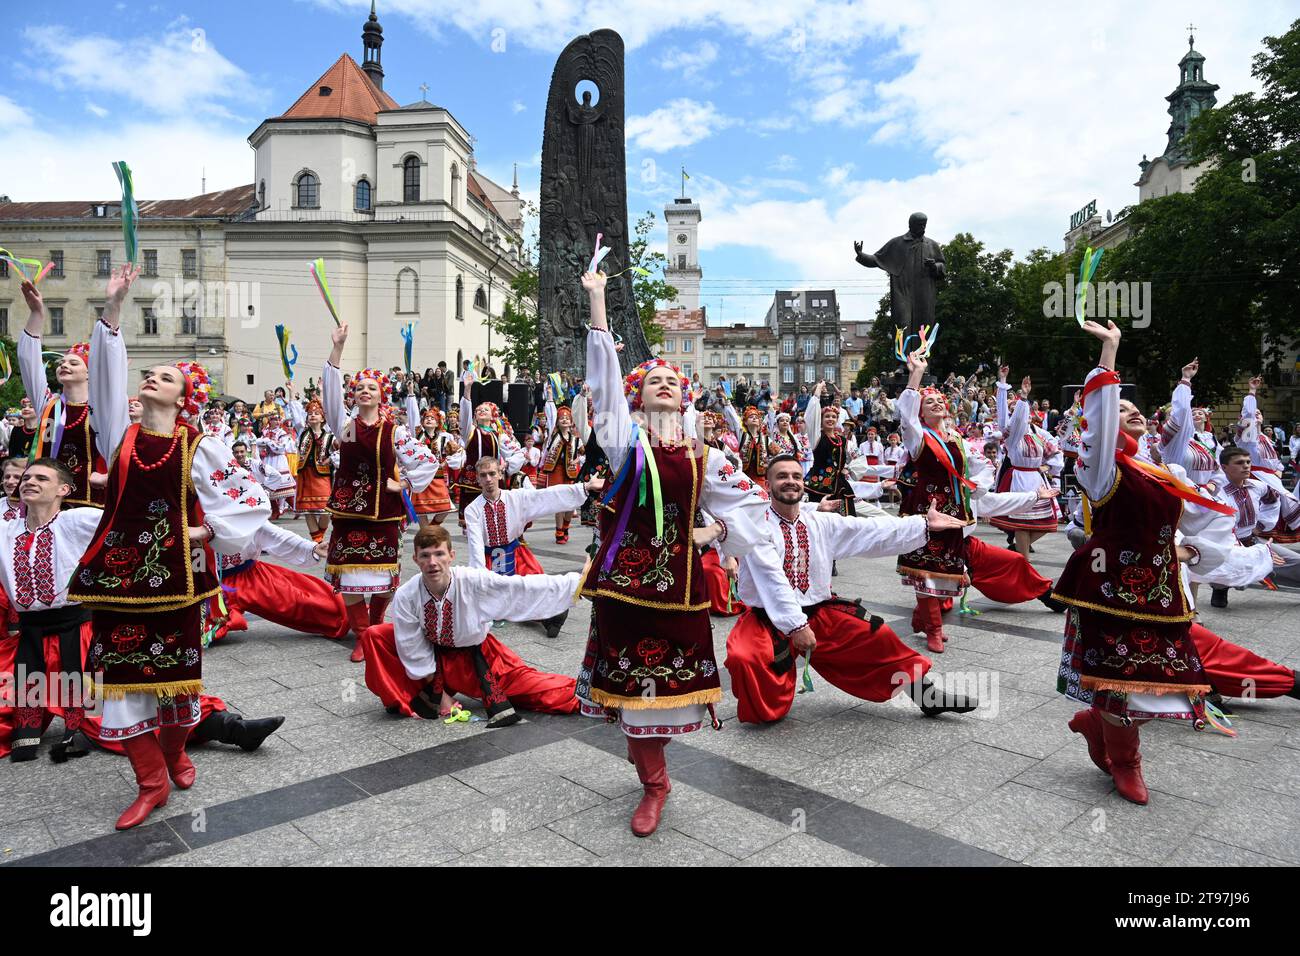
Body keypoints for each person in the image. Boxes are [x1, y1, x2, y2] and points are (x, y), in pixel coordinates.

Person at [578, 269, 785, 838]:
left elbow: (755, 501)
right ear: (637, 397)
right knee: (631, 686)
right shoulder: (626, 441)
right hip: (625, 584)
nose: (664, 383)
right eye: (653, 379)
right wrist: (598, 301)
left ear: (685, 394)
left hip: (682, 588)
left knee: (671, 690)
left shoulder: (706, 455)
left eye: (673, 378)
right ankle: (654, 782)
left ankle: (650, 759)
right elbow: (602, 383)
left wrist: (716, 530)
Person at [67, 265, 272, 830]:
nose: (149, 380)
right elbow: (107, 376)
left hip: (176, 582)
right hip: (117, 581)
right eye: (148, 373)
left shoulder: (199, 446)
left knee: (177, 688)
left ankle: (178, 750)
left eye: (164, 376)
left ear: (186, 397)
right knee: (121, 691)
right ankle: (150, 784)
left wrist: (206, 533)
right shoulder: (119, 434)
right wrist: (114, 307)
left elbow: (249, 499)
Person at [1053, 320, 1237, 806]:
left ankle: (1099, 726)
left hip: (1160, 591)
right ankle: (1127, 760)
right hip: (1108, 587)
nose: (1129, 413)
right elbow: (1100, 417)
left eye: (1135, 408)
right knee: (1119, 682)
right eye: (1121, 409)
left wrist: (1188, 550)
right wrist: (1110, 353)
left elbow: (1209, 521)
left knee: (1161, 682)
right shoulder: (1100, 468)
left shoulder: (1164, 471)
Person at [727, 455, 977, 724]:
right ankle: (766, 711)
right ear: (769, 484)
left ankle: (928, 697)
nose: (790, 482)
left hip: (818, 612)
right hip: (767, 617)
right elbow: (770, 579)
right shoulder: (758, 526)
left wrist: (922, 524)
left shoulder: (821, 523)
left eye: (796, 476)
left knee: (877, 636)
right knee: (744, 656)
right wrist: (796, 627)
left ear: (803, 483)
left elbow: (869, 531)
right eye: (782, 476)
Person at [358, 526, 583, 725]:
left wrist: (579, 583)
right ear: (415, 559)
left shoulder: (473, 581)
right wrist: (442, 698)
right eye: (425, 556)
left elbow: (519, 588)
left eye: (439, 554)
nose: (432, 562)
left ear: (451, 556)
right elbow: (411, 645)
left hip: (478, 658)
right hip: (434, 658)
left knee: (535, 691)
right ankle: (408, 698)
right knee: (375, 634)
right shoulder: (407, 594)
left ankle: (593, 694)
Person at [322, 324, 439, 663]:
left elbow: (428, 460)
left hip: (384, 511)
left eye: (371, 387)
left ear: (381, 395)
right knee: (348, 574)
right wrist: (338, 348)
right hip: (347, 510)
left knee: (383, 574)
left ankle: (375, 628)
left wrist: (403, 484)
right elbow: (330, 391)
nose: (364, 391)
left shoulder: (395, 431)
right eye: (359, 387)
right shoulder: (344, 426)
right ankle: (361, 635)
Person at [18, 281, 108, 507]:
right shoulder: (48, 404)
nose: (64, 365)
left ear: (89, 374)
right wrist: (37, 314)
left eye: (73, 363)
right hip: (46, 500)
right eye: (61, 362)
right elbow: (29, 363)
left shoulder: (100, 409)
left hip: (90, 499)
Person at [993, 366, 1060, 561]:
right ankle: (1023, 561)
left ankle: (1019, 550)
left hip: (1037, 479)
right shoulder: (1012, 436)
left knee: (1049, 521)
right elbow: (1008, 416)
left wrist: (1049, 467)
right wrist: (1008, 388)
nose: (1020, 414)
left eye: (1022, 410)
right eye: (1014, 411)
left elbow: (1055, 449)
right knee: (1022, 523)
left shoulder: (1038, 434)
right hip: (1020, 479)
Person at [539, 403, 584, 543]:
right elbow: (545, 453)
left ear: (571, 423)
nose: (564, 420)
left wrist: (576, 461)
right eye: (561, 418)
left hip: (571, 472)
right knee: (559, 501)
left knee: (571, 502)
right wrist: (550, 399)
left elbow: (584, 455)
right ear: (557, 422)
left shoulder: (576, 440)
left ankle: (566, 525)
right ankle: (559, 530)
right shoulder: (552, 437)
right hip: (556, 470)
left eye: (567, 419)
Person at [405, 406, 457, 527]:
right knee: (421, 510)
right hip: (421, 477)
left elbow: (458, 452)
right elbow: (412, 415)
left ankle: (432, 528)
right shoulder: (417, 435)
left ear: (438, 423)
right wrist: (412, 393)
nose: (429, 419)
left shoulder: (444, 438)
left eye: (432, 418)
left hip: (437, 477)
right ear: (422, 422)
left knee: (446, 508)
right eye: (426, 418)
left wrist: (446, 462)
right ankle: (426, 534)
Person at [295, 399, 336, 542]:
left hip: (322, 475)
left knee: (326, 509)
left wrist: (330, 459)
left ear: (323, 418)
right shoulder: (302, 432)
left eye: (316, 413)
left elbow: (339, 451)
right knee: (307, 509)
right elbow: (295, 412)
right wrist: (292, 393)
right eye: (310, 414)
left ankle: (320, 535)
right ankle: (317, 540)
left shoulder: (330, 436)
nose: (312, 415)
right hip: (305, 474)